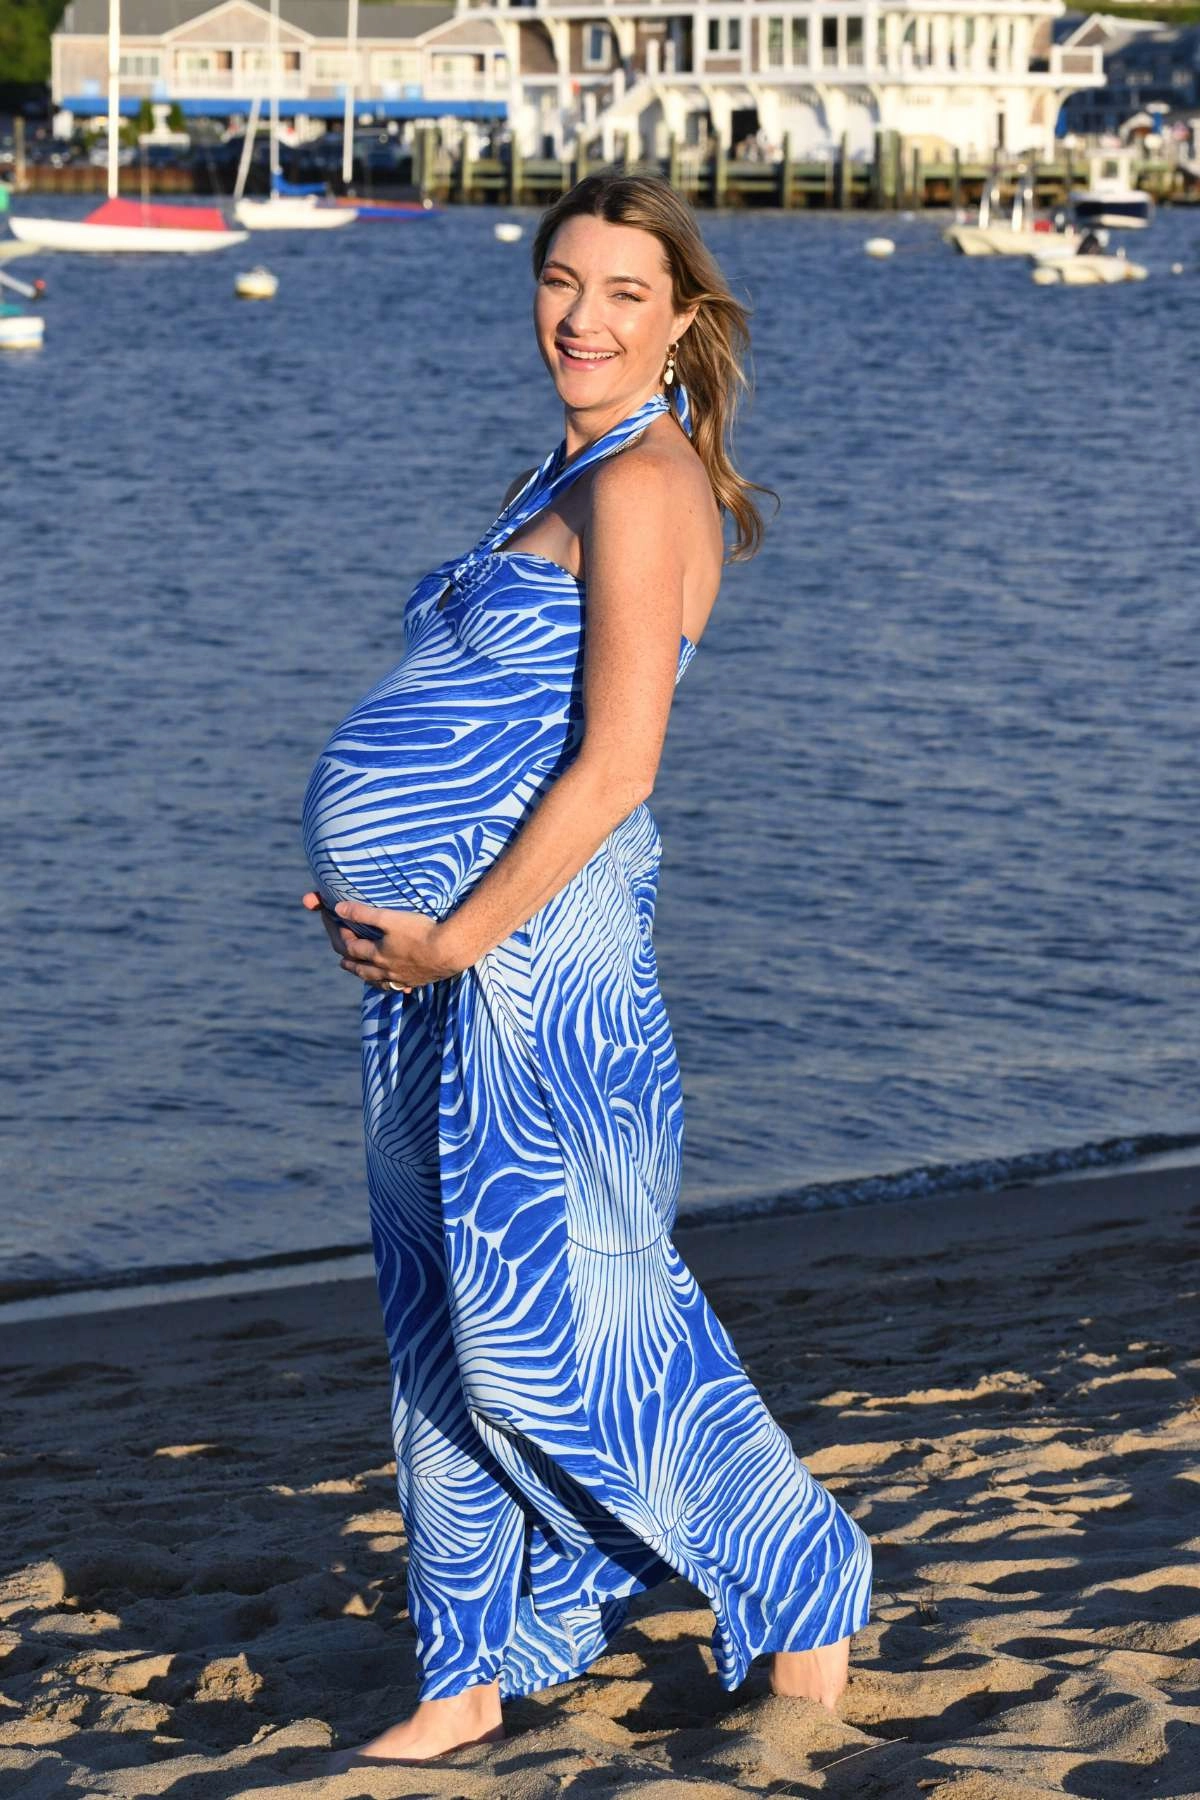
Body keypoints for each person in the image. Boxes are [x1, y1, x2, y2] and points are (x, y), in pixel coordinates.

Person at [300, 172, 872, 1771]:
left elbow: (618, 764)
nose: (583, 317)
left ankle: (804, 1585)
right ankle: (469, 1668)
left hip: (537, 976)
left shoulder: (646, 482)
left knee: (567, 1327)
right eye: (562, 280)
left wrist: (456, 930)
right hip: (433, 972)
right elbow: (485, 726)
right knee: (434, 1324)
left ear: (680, 317)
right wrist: (379, 889)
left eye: (625, 292)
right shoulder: (556, 466)